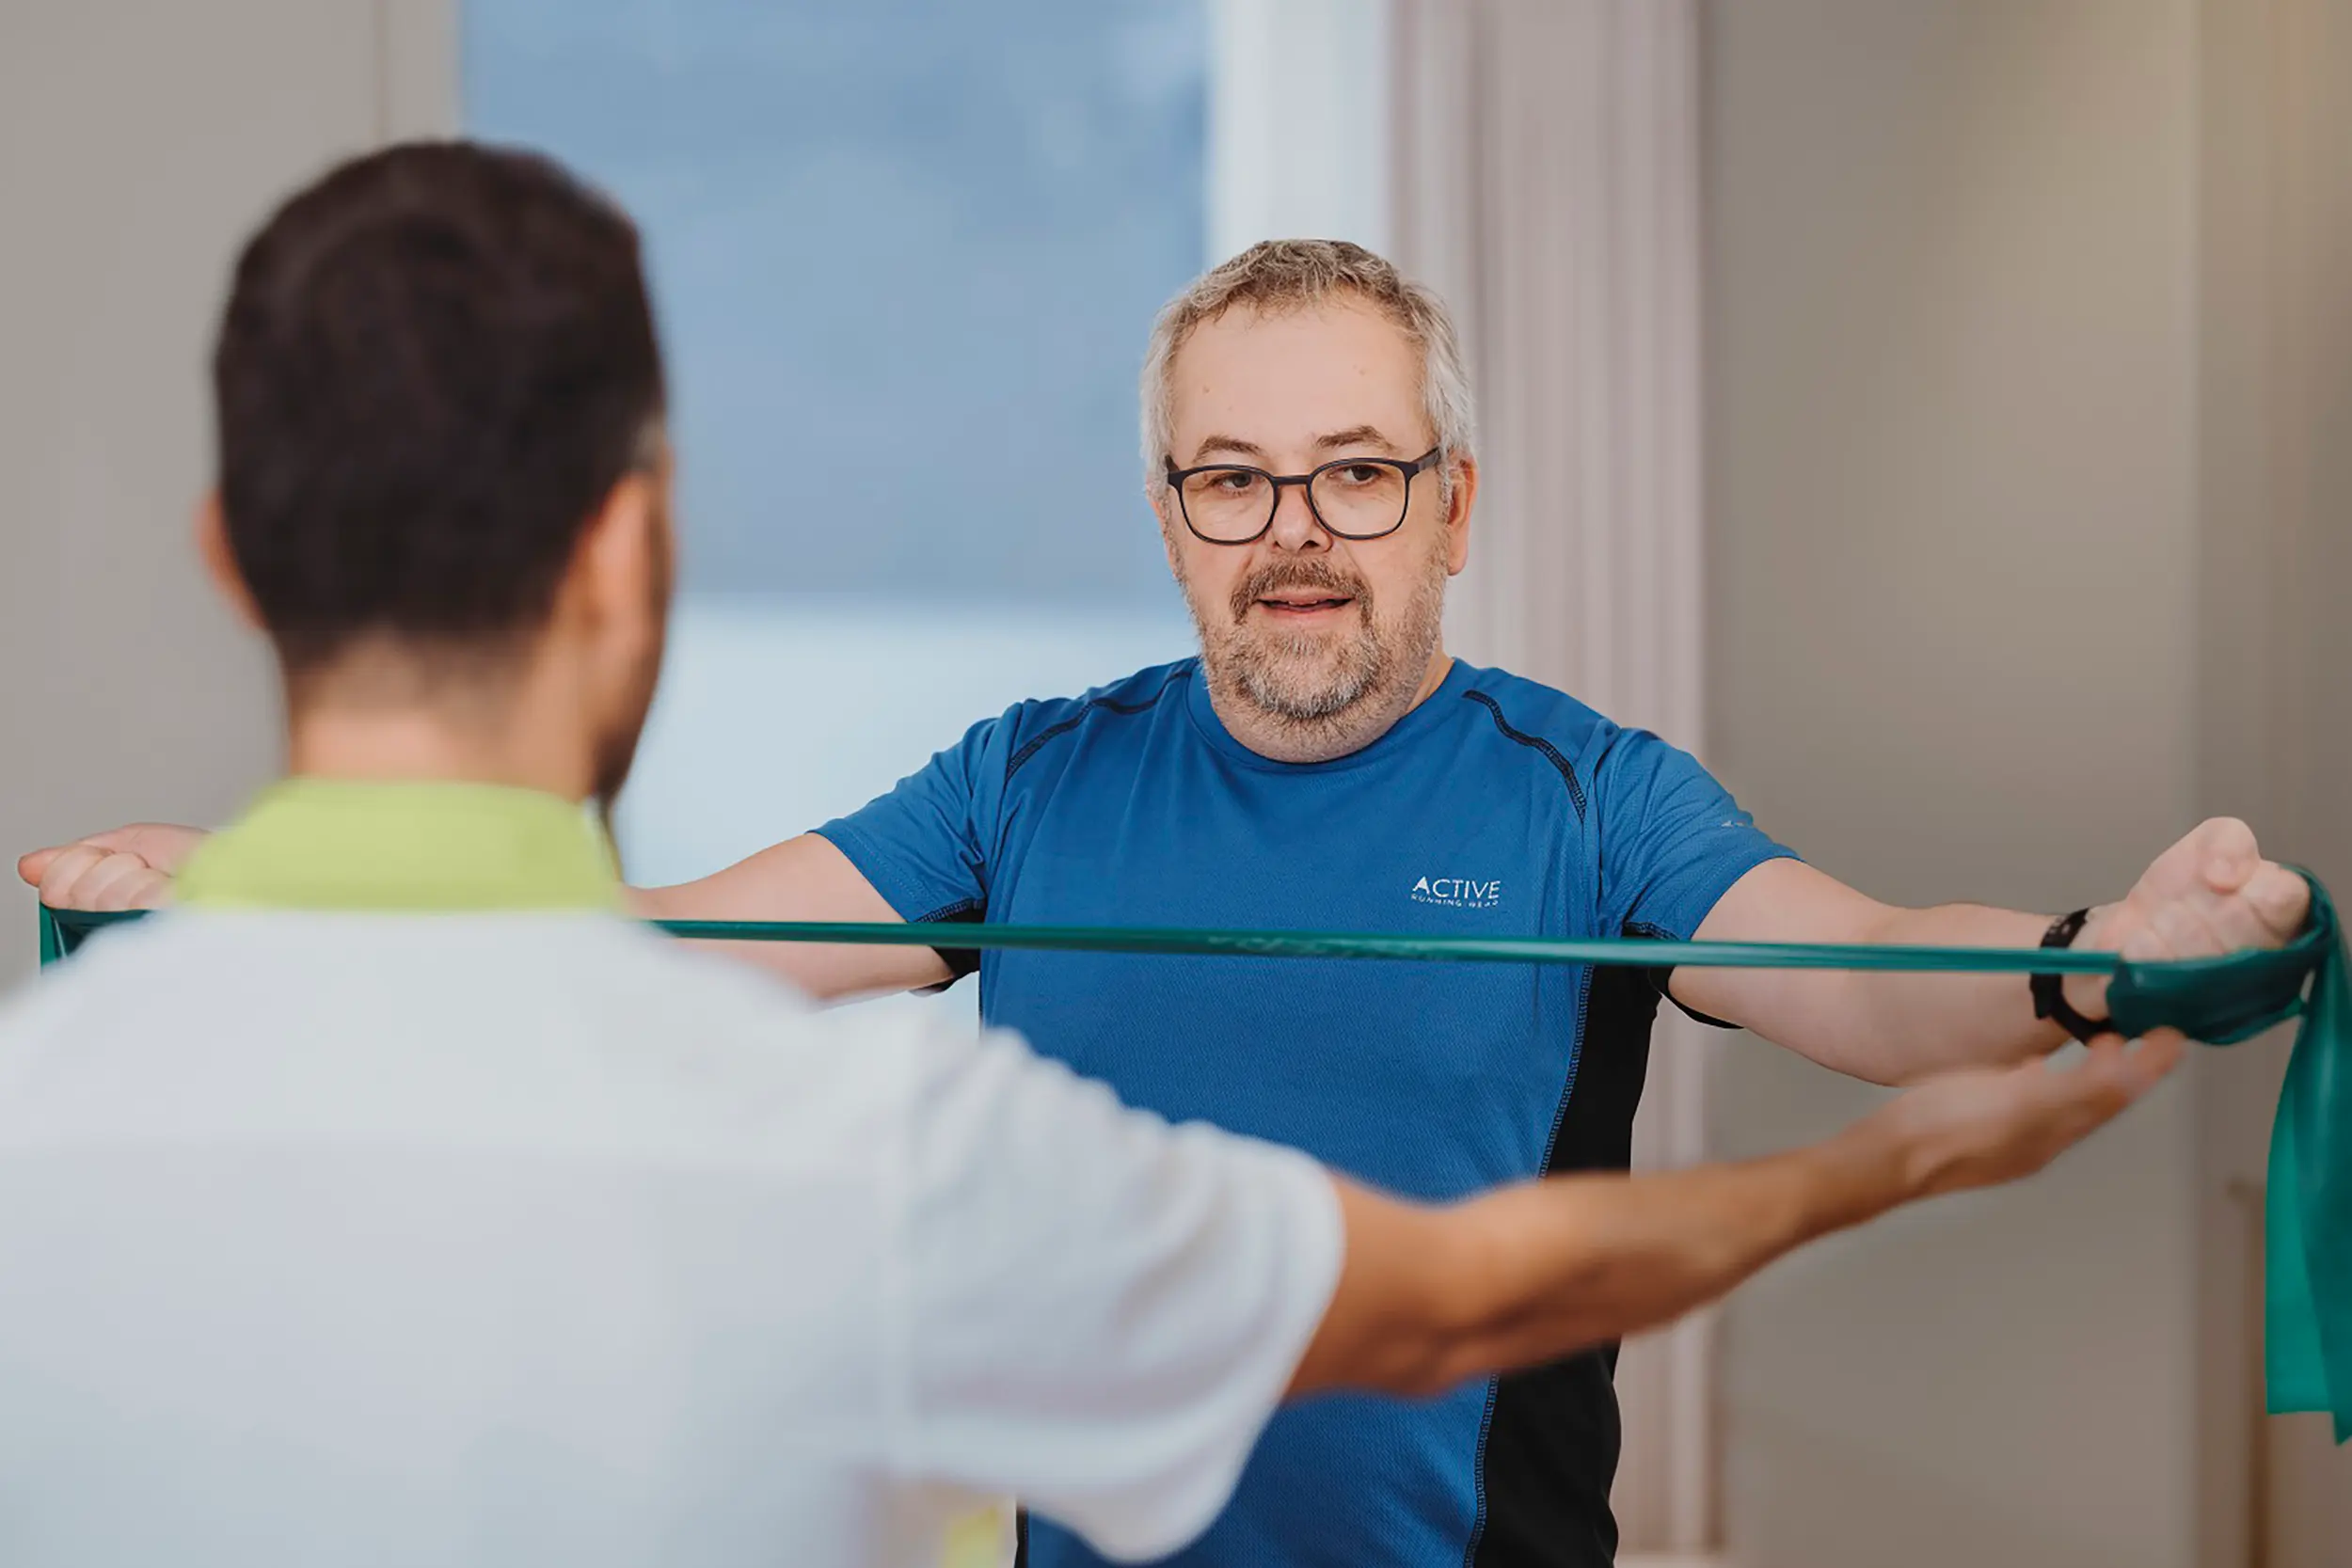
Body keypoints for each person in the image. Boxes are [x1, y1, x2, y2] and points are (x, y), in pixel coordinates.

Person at [15, 188, 2299, 1568]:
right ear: (1166, 510)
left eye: (1352, 471)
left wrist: (2088, 958)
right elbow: (677, 951)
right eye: (1229, 476)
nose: (1291, 530)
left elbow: (1860, 965)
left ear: (1453, 502)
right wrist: (272, 896)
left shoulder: (1584, 791)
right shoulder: (1027, 780)